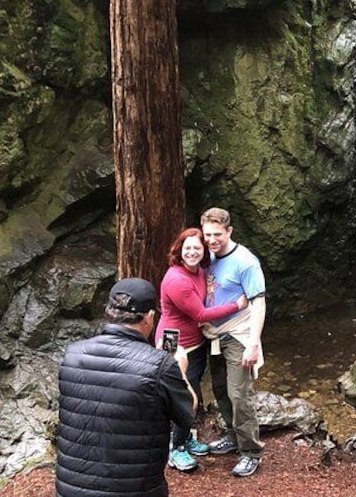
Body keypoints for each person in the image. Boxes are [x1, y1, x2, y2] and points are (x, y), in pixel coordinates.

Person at [55, 278, 197, 497]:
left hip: (71, 490)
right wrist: (180, 370)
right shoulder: (160, 365)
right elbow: (188, 413)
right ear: (150, 318)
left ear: (109, 313)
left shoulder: (72, 354)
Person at [155, 228, 250, 472]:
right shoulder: (176, 279)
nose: (192, 252)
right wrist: (236, 306)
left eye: (197, 248)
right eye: (187, 248)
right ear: (179, 250)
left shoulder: (200, 271)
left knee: (193, 391)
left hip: (195, 343)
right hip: (173, 342)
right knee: (184, 397)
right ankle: (174, 449)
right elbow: (199, 313)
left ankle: (184, 438)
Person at [200, 207, 267, 477]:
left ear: (229, 231)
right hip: (214, 334)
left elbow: (258, 302)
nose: (212, 239)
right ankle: (232, 435)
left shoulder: (245, 261)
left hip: (238, 334)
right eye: (208, 234)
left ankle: (251, 452)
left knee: (240, 394)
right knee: (219, 388)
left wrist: (253, 343)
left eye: (217, 234)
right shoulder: (209, 256)